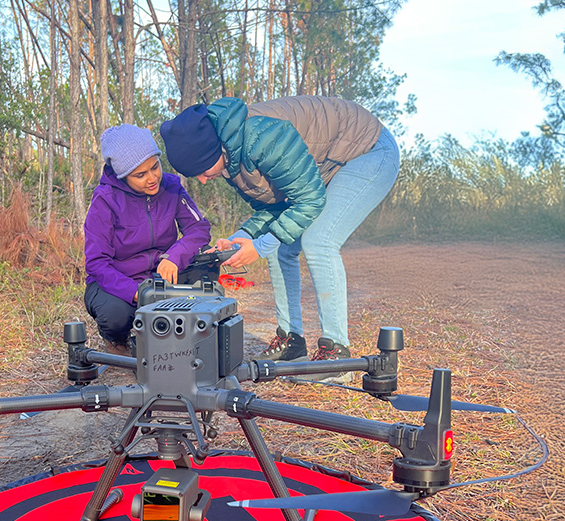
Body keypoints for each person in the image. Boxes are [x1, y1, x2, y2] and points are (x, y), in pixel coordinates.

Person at [160, 96, 399, 379]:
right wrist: (243, 237)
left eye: (201, 170)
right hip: (324, 171)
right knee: (279, 248)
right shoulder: (228, 158)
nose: (201, 179)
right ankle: (291, 341)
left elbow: (308, 201)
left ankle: (337, 356)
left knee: (318, 241)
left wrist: (259, 246)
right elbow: (274, 207)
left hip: (367, 151)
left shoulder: (261, 137)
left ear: (212, 151)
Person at [84, 124, 211, 355]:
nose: (152, 178)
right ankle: (118, 341)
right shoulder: (105, 199)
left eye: (155, 167)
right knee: (115, 315)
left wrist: (174, 256)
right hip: (119, 282)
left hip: (163, 273)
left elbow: (199, 230)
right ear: (123, 175)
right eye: (140, 175)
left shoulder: (172, 187)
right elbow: (96, 263)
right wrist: (136, 292)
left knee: (206, 261)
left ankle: (188, 339)